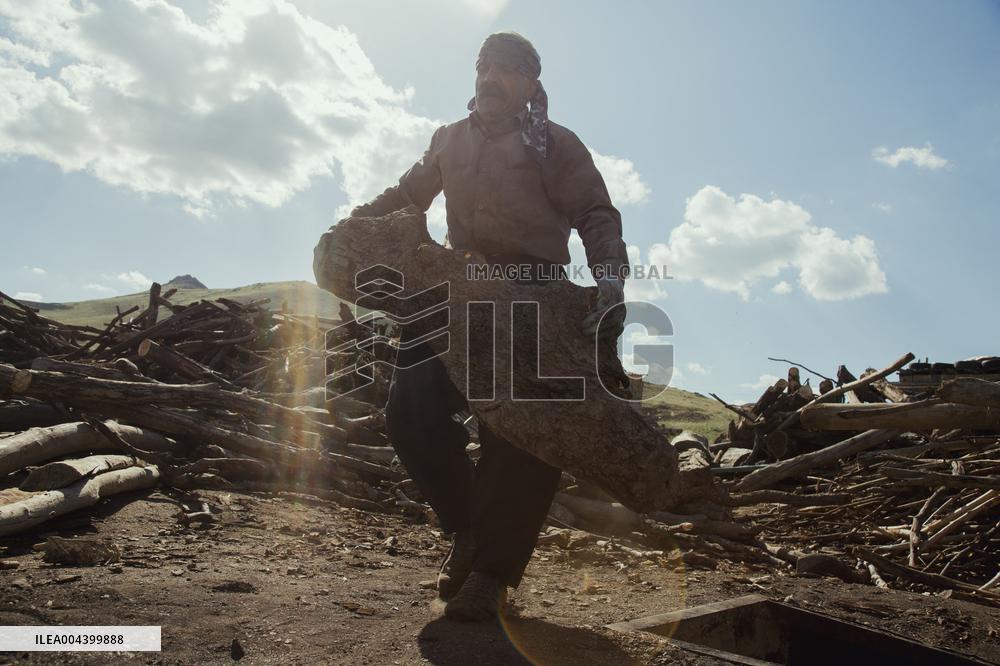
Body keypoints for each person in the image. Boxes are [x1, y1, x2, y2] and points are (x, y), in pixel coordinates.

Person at [347, 31, 629, 621]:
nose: (489, 77)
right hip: (457, 289)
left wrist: (609, 280)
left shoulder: (556, 145)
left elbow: (596, 214)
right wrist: (351, 226)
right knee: (411, 408)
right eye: (483, 65)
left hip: (535, 298)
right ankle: (467, 532)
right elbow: (406, 196)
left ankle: (493, 575)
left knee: (523, 433)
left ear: (530, 83)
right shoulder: (449, 139)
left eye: (505, 68)